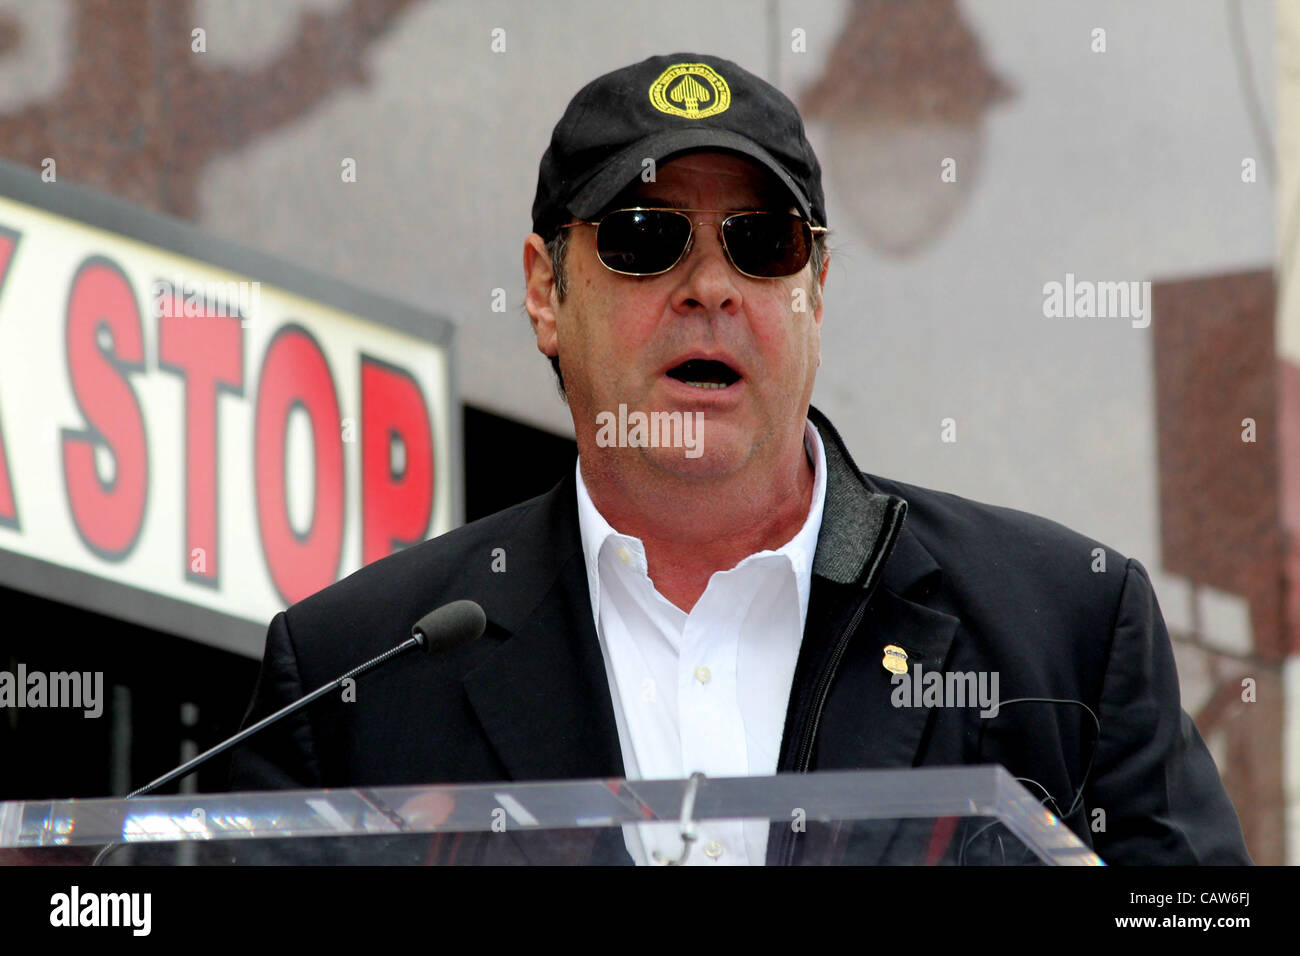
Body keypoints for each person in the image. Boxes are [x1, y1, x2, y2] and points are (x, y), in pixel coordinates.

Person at [229, 52, 1251, 866]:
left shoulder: (1064, 628)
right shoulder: (354, 678)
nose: (710, 284)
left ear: (814, 291)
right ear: (545, 290)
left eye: (761, 242)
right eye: (644, 235)